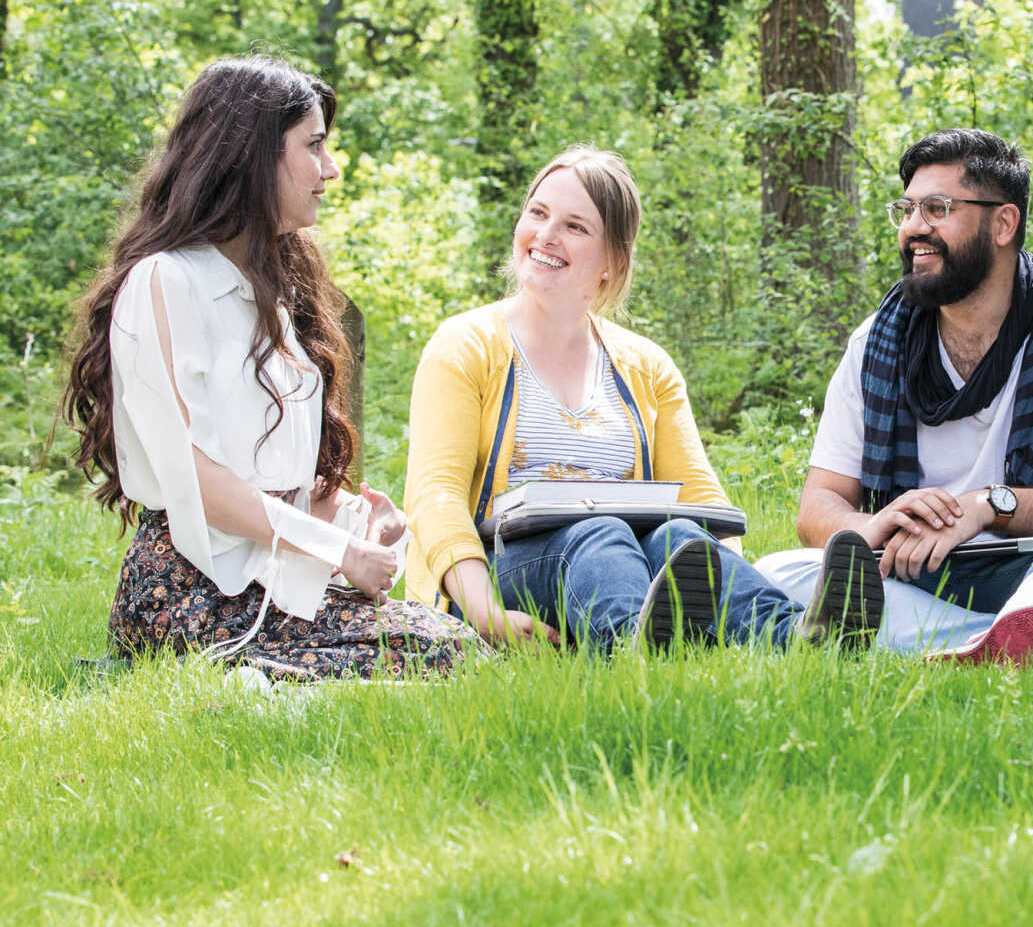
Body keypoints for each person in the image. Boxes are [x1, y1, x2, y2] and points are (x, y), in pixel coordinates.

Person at [60, 56, 480, 681]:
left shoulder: (277, 288)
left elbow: (266, 480)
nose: (330, 170)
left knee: (456, 650)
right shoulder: (165, 282)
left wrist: (352, 522)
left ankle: (265, 680)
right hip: (189, 586)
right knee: (442, 657)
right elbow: (197, 481)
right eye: (314, 147)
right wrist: (338, 550)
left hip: (269, 574)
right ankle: (242, 679)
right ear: (252, 156)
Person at [402, 146, 881, 651]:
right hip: (499, 573)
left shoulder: (646, 366)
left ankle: (801, 638)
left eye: (575, 226)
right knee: (600, 532)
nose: (545, 235)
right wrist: (485, 613)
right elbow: (436, 497)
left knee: (681, 540)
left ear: (613, 262)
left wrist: (713, 579)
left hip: (617, 566)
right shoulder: (466, 345)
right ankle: (633, 646)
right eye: (538, 213)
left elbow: (704, 502)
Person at [756, 129, 1033, 665]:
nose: (915, 228)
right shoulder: (876, 342)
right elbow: (818, 506)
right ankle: (1000, 639)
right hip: (915, 572)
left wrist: (986, 507)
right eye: (908, 209)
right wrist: (873, 525)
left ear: (1004, 223)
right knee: (776, 571)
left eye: (937, 208)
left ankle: (1004, 626)